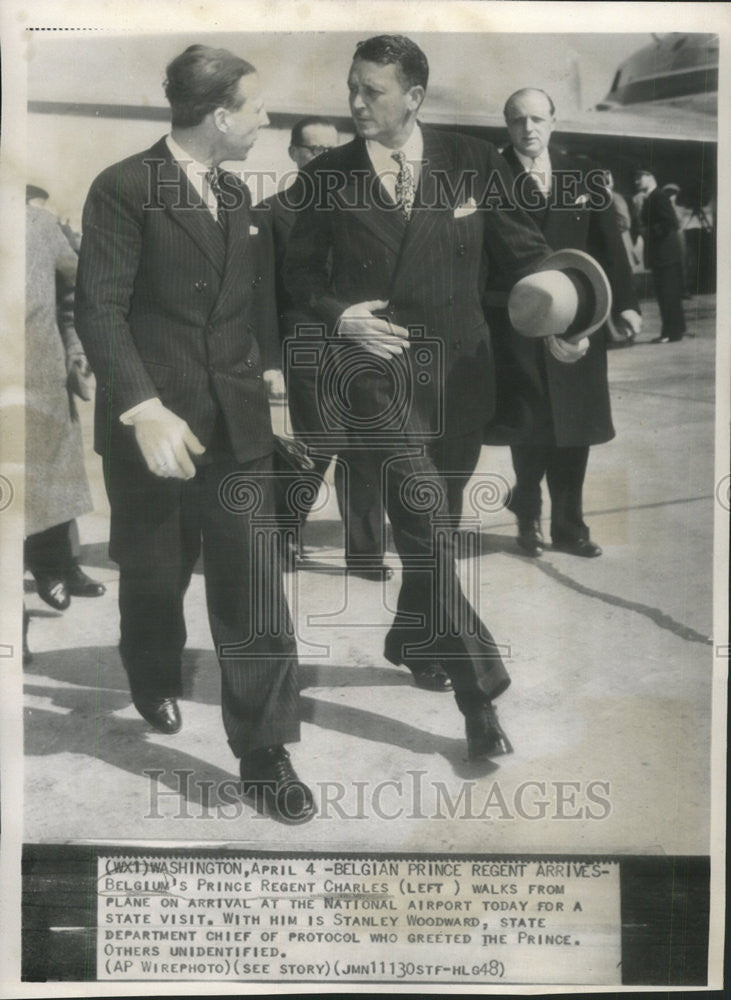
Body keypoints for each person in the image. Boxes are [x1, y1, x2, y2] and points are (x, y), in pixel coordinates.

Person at [283, 36, 600, 759]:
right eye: (352, 88)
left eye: (374, 91)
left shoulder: (471, 161)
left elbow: (522, 253)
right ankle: (477, 695)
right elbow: (298, 280)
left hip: (460, 378)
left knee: (434, 533)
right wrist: (340, 317)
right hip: (374, 376)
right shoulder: (327, 177)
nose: (357, 103)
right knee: (424, 528)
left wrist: (562, 319)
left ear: (415, 98)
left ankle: (412, 635)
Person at [75, 44, 313, 823]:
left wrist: (270, 380)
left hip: (236, 424)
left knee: (254, 589)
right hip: (156, 429)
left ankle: (264, 750)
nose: (265, 119)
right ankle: (150, 672)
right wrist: (141, 407)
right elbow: (100, 308)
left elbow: (252, 308)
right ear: (219, 116)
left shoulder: (239, 198)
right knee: (155, 574)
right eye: (255, 107)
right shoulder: (124, 189)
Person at [483, 88, 641, 559]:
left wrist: (626, 305)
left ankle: (570, 527)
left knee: (576, 428)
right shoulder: (492, 175)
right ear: (506, 126)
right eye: (517, 120)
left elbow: (610, 245)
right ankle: (528, 515)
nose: (528, 128)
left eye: (537, 119)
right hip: (519, 320)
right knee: (530, 427)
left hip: (580, 319)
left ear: (553, 121)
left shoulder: (585, 174)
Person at [261, 117, 391, 580]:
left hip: (363, 348)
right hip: (309, 350)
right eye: (312, 150)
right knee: (316, 448)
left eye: (330, 150)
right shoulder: (272, 212)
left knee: (367, 448)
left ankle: (365, 552)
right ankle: (284, 535)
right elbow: (266, 297)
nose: (321, 158)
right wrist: (271, 363)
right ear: (294, 152)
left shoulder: (362, 205)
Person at [24, 194, 106, 613]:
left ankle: (57, 567)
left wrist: (75, 348)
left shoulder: (37, 224)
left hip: (37, 376)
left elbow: (75, 290)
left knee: (49, 479)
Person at [633, 169, 686, 343]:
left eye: (639, 178)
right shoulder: (653, 196)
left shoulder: (658, 196)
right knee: (667, 294)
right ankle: (674, 330)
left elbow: (670, 223)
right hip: (663, 255)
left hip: (665, 254)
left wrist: (647, 232)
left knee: (667, 294)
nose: (636, 182)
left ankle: (671, 332)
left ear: (650, 177)